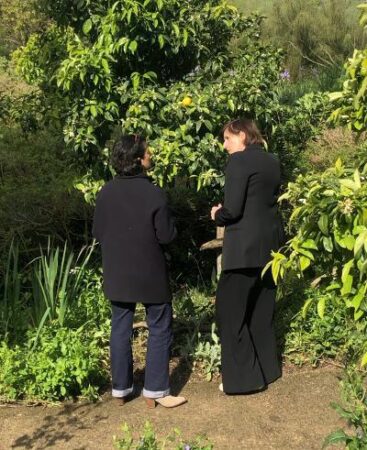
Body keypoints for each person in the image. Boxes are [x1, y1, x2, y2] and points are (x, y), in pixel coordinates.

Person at [92, 134, 187, 408]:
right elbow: (167, 236)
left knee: (120, 326)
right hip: (150, 272)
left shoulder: (106, 192)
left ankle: (121, 389)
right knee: (159, 325)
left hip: (117, 270)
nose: (151, 155)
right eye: (147, 152)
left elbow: (98, 232)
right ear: (137, 159)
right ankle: (155, 391)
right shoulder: (154, 193)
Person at [210, 118, 284, 395]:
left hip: (243, 251)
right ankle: (267, 370)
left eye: (227, 138)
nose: (225, 145)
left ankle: (244, 379)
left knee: (229, 314)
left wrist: (217, 213)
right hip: (271, 250)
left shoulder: (238, 163)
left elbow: (233, 210)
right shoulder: (272, 161)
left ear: (241, 135)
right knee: (260, 313)